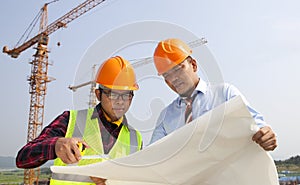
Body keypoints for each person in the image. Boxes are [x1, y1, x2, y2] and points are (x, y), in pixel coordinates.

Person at [16, 56, 143, 185]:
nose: (120, 101)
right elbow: (23, 158)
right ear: (98, 94)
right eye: (113, 94)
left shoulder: (135, 138)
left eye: (126, 95)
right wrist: (55, 145)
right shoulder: (70, 120)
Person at [150, 38, 277, 151]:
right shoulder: (166, 117)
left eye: (178, 69)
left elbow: (256, 127)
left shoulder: (225, 94)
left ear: (193, 65)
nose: (173, 79)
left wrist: (265, 136)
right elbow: (152, 156)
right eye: (166, 75)